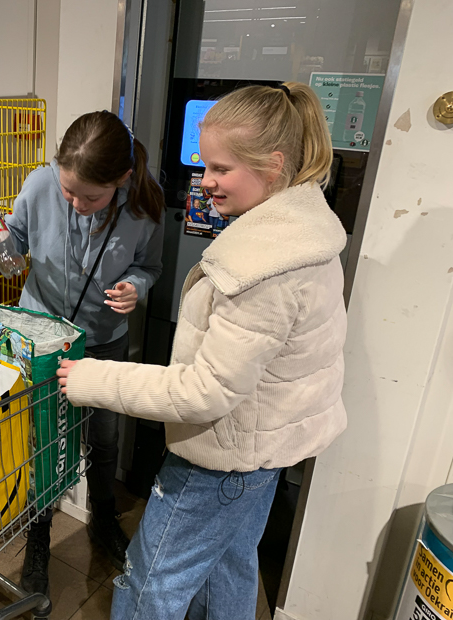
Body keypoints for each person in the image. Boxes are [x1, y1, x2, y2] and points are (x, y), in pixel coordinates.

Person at [57, 82, 348, 620]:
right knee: (229, 567)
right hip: (266, 448)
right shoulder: (307, 232)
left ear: (274, 164)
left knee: (150, 584)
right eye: (203, 165)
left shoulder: (260, 265)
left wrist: (91, 379)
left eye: (220, 169)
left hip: (222, 458)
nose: (205, 181)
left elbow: (203, 391)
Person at [0, 110, 165, 608]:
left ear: (121, 181)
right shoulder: (39, 185)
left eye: (90, 198)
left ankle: (103, 518)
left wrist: (135, 288)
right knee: (43, 443)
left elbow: (150, 266)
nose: (74, 205)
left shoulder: (144, 205)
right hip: (41, 338)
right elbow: (14, 249)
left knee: (103, 436)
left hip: (102, 342)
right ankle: (38, 543)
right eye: (68, 191)